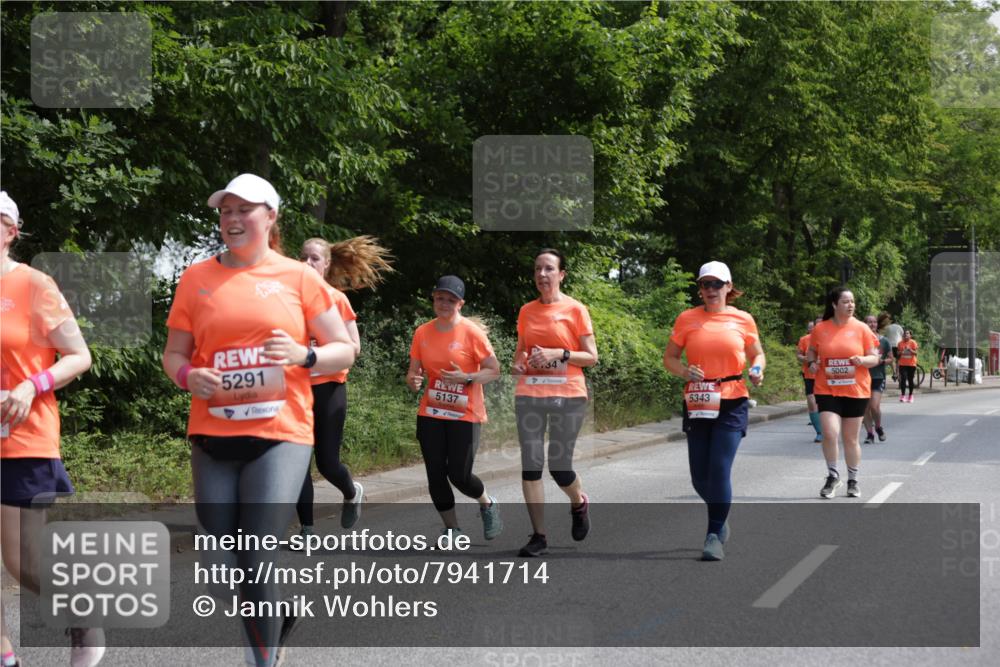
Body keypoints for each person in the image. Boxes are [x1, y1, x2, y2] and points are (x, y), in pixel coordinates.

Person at [162, 174, 355, 667]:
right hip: (212, 433)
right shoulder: (197, 278)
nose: (231, 218)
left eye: (242, 210)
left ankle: (262, 660)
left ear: (270, 217)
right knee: (222, 573)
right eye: (225, 211)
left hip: (280, 433)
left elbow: (343, 348)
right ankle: (279, 613)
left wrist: (302, 354)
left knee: (257, 551)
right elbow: (173, 353)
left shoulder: (299, 277)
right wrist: (188, 376)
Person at [0, 192, 98, 667]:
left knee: (25, 565)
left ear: (10, 232)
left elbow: (80, 356)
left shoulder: (35, 285)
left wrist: (28, 387)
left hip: (22, 435)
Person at [293, 236, 393, 542]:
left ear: (326, 265)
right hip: (297, 391)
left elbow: (355, 347)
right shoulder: (290, 302)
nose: (307, 263)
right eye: (304, 257)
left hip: (329, 389)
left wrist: (318, 354)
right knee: (298, 464)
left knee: (327, 462)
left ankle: (351, 491)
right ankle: (307, 529)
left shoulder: (336, 300)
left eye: (314, 259)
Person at [663, 261, 764, 561]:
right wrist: (683, 371)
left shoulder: (743, 319)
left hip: (732, 397)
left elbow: (756, 353)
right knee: (699, 477)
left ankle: (713, 534)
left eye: (716, 284)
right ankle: (721, 510)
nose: (710, 290)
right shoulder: (687, 319)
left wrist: (757, 369)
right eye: (705, 284)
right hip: (698, 399)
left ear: (728, 287)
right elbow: (669, 358)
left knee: (719, 468)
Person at [512, 249, 598, 558]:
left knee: (560, 467)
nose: (542, 274)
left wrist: (558, 353)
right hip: (530, 393)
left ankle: (578, 502)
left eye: (549, 269)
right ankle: (539, 535)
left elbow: (591, 356)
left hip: (568, 394)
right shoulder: (526, 311)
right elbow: (521, 351)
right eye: (537, 269)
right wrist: (519, 364)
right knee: (531, 466)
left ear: (561, 274)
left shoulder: (576, 309)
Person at [406, 276, 502, 544]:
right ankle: (452, 529)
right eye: (440, 298)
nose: (444, 303)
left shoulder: (472, 333)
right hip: (432, 412)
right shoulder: (422, 332)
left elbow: (494, 370)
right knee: (435, 474)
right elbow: (414, 372)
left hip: (465, 414)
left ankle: (487, 503)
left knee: (459, 475)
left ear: (460, 303)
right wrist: (413, 380)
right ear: (433, 299)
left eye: (450, 299)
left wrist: (468, 378)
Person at [806, 288, 880, 500]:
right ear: (834, 305)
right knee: (829, 433)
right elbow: (812, 350)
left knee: (850, 438)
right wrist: (812, 363)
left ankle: (853, 480)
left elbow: (874, 357)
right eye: (846, 302)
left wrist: (862, 360)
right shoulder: (821, 329)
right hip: (826, 389)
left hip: (855, 390)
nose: (850, 305)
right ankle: (832, 475)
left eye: (852, 302)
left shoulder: (862, 328)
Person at [863, 314, 893, 443]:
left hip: (878, 377)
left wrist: (881, 361)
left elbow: (891, 358)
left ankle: (879, 427)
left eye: (874, 322)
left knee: (874, 406)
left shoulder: (884, 341)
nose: (872, 324)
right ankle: (870, 434)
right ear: (864, 324)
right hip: (863, 378)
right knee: (865, 408)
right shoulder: (860, 340)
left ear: (877, 324)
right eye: (869, 322)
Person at [795, 318, 823, 443]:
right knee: (812, 402)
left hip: (826, 377)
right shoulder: (804, 339)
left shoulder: (830, 338)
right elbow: (798, 355)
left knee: (823, 405)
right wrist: (807, 359)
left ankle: (829, 428)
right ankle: (819, 432)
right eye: (816, 324)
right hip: (809, 375)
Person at [897, 329, 919, 403]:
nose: (906, 335)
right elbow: (898, 353)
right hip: (902, 364)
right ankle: (903, 395)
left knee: (910, 380)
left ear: (910, 335)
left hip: (911, 364)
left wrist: (910, 350)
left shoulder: (913, 342)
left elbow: (916, 353)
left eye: (907, 333)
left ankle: (910, 396)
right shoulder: (900, 343)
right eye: (904, 334)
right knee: (903, 379)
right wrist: (901, 352)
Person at [881, 312, 904, 379]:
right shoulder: (899, 327)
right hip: (898, 345)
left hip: (890, 345)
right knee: (898, 360)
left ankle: (894, 372)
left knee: (891, 359)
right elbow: (902, 335)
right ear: (896, 322)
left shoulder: (888, 327)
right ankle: (897, 373)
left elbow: (885, 335)